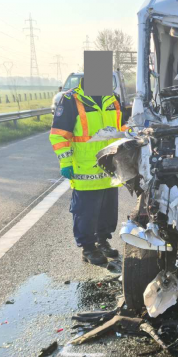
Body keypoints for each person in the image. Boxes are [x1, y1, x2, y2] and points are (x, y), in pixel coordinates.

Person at [49, 78, 127, 265]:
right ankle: (88, 248)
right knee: (86, 211)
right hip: (85, 168)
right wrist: (66, 162)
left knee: (108, 209)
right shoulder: (71, 100)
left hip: (110, 165)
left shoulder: (113, 98)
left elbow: (123, 127)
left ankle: (102, 241)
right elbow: (59, 134)